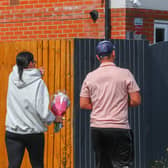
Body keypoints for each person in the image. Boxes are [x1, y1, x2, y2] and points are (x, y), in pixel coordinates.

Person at [80, 40, 141, 168]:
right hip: (119, 127)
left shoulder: (90, 76)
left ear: (97, 57)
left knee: (103, 165)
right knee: (123, 165)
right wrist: (120, 103)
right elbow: (136, 100)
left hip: (97, 128)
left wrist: (100, 104)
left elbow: (84, 104)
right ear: (113, 53)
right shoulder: (125, 73)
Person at [5, 51, 62, 168]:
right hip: (33, 133)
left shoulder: (12, 77)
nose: (35, 64)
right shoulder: (38, 83)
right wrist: (55, 118)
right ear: (30, 64)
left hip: (13, 132)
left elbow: (22, 72)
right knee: (37, 165)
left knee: (13, 165)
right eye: (34, 62)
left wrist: (36, 73)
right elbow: (43, 112)